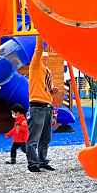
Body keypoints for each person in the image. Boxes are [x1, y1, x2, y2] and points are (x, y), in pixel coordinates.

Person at [24, 40, 58, 174]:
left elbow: (45, 86)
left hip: (47, 105)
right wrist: (41, 35)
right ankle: (32, 163)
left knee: (46, 137)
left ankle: (42, 161)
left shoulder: (47, 71)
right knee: (34, 136)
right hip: (37, 105)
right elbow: (38, 50)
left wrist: (52, 89)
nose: (46, 60)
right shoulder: (36, 66)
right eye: (44, 58)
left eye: (47, 58)